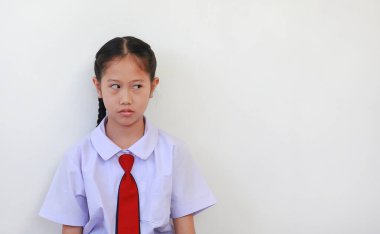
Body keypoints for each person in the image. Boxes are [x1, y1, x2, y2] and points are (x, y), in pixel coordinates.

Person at [39, 36, 216, 234]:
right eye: (115, 86)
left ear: (153, 86)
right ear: (98, 87)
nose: (126, 99)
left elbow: (185, 225)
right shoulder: (77, 158)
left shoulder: (173, 152)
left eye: (137, 86)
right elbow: (71, 228)